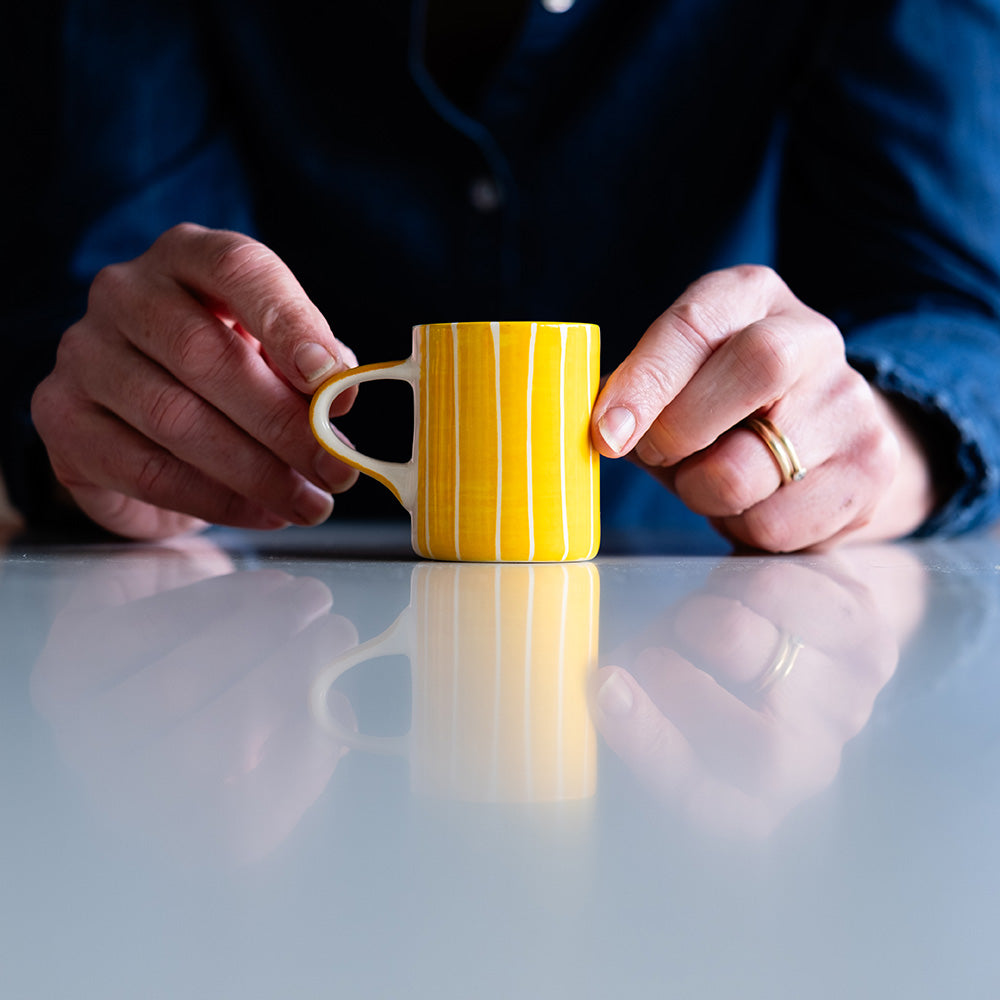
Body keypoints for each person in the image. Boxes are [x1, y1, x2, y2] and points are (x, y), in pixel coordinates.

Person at [5, 0, 1000, 550]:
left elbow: (953, 303)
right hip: (243, 646)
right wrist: (92, 435)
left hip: (707, 631)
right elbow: (93, 296)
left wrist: (885, 438)